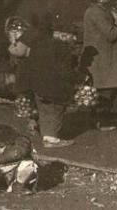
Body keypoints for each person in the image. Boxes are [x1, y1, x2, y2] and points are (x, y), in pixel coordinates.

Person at [13, 13, 75, 148]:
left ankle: (45, 134)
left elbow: (20, 54)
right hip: (52, 86)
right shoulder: (59, 46)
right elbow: (64, 70)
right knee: (55, 109)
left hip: (37, 84)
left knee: (44, 109)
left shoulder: (33, 43)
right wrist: (76, 79)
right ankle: (51, 139)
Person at [82, 0, 117, 131]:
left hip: (105, 56)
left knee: (112, 89)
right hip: (103, 58)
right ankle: (102, 121)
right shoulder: (96, 13)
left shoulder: (96, 10)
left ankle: (113, 118)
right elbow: (110, 34)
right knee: (106, 91)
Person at [0, 124, 39, 194]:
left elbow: (18, 153)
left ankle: (19, 185)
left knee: (29, 164)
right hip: (4, 172)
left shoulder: (21, 140)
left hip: (19, 172)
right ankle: (2, 184)